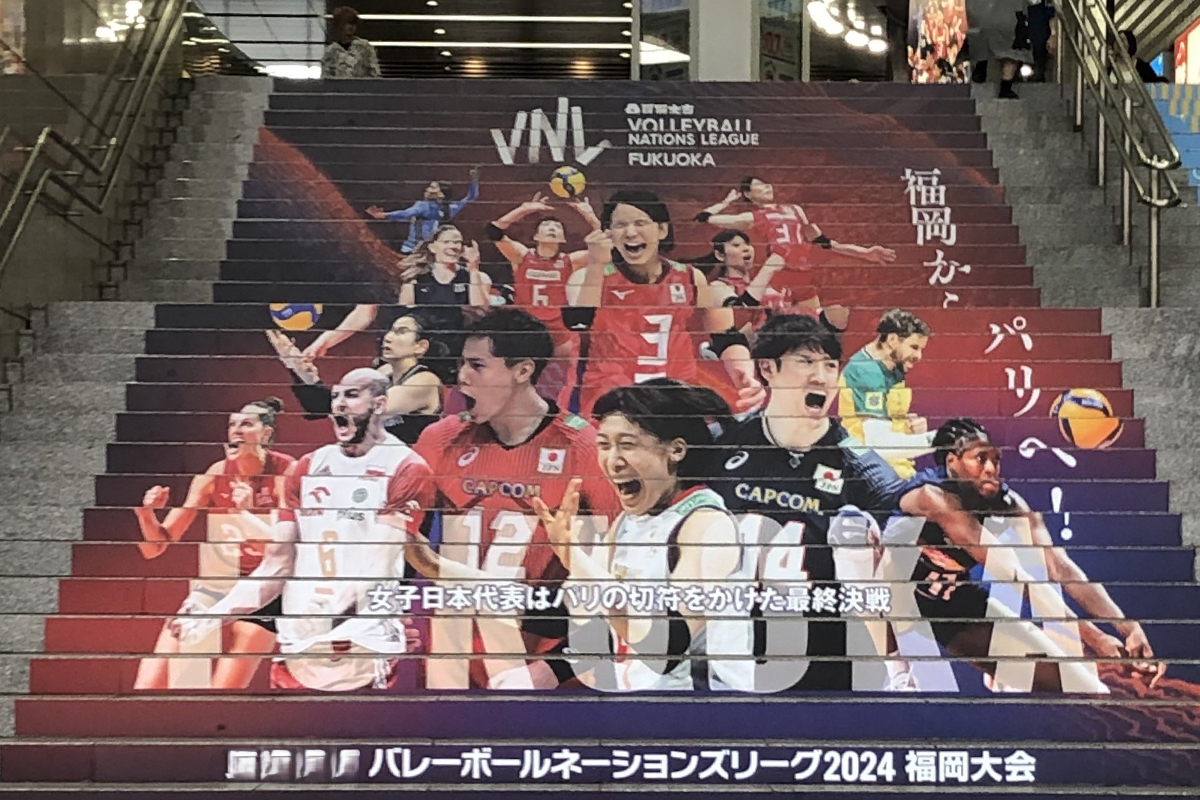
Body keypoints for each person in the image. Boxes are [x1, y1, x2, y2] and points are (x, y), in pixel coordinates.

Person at [401, 309, 620, 690]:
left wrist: (558, 667)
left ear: (523, 371)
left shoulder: (586, 449)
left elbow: (623, 580)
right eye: (461, 364)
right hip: (448, 666)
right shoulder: (439, 439)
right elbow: (398, 547)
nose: (462, 376)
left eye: (477, 365)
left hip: (535, 668)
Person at [175, 368, 433, 692]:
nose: (339, 404)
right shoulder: (308, 467)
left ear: (380, 404)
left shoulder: (407, 468)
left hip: (361, 649)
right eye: (335, 396)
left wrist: (327, 617)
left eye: (352, 395)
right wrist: (212, 616)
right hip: (297, 651)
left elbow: (377, 565)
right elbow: (276, 565)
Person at [708, 313, 908, 691]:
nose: (821, 376)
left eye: (830, 366)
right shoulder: (721, 442)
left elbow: (904, 511)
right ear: (768, 369)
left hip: (826, 657)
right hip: (731, 656)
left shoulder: (857, 463)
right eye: (805, 362)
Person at [892, 418, 1165, 692]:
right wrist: (1095, 638)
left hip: (947, 601)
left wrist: (1127, 627)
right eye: (980, 459)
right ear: (952, 461)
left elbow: (1061, 568)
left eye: (995, 459)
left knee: (1088, 690)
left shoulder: (1007, 503)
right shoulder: (933, 497)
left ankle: (1001, 667)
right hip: (890, 599)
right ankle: (896, 670)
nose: (991, 468)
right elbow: (1017, 579)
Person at [531, 379, 750, 692]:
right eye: (604, 445)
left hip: (702, 711)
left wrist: (574, 558)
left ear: (676, 450)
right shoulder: (628, 522)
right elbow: (563, 615)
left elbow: (667, 647)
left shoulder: (707, 525)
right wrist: (459, 580)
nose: (612, 460)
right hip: (638, 704)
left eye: (628, 445)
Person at [133, 398, 295, 690]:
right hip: (220, 584)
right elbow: (157, 546)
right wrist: (146, 514)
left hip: (268, 588)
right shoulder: (214, 475)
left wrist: (245, 513)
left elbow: (282, 551)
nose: (236, 430)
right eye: (232, 425)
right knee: (152, 679)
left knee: (224, 689)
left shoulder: (287, 473)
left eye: (246, 424)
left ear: (266, 434)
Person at [564, 189, 762, 417]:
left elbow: (724, 335)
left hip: (673, 406)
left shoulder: (690, 277)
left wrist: (743, 370)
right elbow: (579, 322)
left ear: (662, 230)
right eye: (620, 225)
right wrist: (596, 266)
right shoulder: (587, 277)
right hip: (609, 408)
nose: (630, 232)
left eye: (640, 223)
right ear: (609, 234)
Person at [696, 177, 897, 310]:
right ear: (748, 194)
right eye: (760, 184)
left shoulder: (795, 210)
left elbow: (825, 242)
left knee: (815, 328)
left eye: (767, 183)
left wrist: (865, 253)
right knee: (775, 326)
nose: (767, 186)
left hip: (803, 274)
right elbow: (705, 218)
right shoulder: (753, 216)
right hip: (779, 275)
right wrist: (726, 202)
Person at [303, 224, 494, 362]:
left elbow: (481, 314)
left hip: (452, 356)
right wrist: (326, 340)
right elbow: (363, 314)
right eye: (447, 241)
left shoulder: (478, 278)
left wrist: (473, 270)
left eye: (457, 242)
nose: (454, 246)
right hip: (410, 354)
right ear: (432, 247)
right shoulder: (409, 278)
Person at [486, 193, 602, 406]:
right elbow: (493, 231)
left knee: (564, 382)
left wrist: (591, 217)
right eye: (546, 225)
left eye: (557, 227)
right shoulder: (522, 256)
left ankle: (563, 413)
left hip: (560, 333)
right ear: (536, 236)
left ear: (563, 239)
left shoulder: (570, 261)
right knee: (520, 380)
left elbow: (606, 247)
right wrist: (524, 209)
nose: (552, 228)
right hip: (528, 329)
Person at [267, 311, 446, 444]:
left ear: (420, 347)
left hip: (411, 469)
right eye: (390, 331)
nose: (388, 337)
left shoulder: (425, 381)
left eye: (401, 331)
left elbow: (361, 410)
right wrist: (298, 369)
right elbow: (328, 407)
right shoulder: (383, 373)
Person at [838, 309, 935, 479]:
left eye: (921, 349)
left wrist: (908, 426)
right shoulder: (866, 372)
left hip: (898, 468)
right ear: (892, 340)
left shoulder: (893, 366)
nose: (919, 356)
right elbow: (878, 445)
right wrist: (936, 440)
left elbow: (888, 420)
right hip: (873, 473)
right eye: (914, 347)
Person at [701, 229, 851, 334]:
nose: (746, 249)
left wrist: (829, 315)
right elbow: (742, 313)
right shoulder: (719, 286)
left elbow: (801, 312)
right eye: (736, 245)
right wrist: (767, 269)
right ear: (720, 255)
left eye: (747, 244)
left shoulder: (774, 285)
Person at [367, 168, 481, 255]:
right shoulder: (450, 208)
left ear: (441, 194)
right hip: (431, 252)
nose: (427, 190)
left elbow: (406, 214)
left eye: (433, 188)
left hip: (414, 250)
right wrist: (474, 181)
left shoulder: (424, 206)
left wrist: (383, 215)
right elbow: (471, 197)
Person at [965, 0, 1031, 97]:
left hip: (982, 16)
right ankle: (1005, 87)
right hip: (1011, 16)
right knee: (1012, 53)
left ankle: (980, 67)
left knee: (982, 42)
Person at [321, 7, 380, 79]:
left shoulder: (365, 48)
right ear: (338, 25)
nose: (351, 27)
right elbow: (326, 79)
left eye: (353, 24)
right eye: (347, 23)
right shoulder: (330, 52)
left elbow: (375, 75)